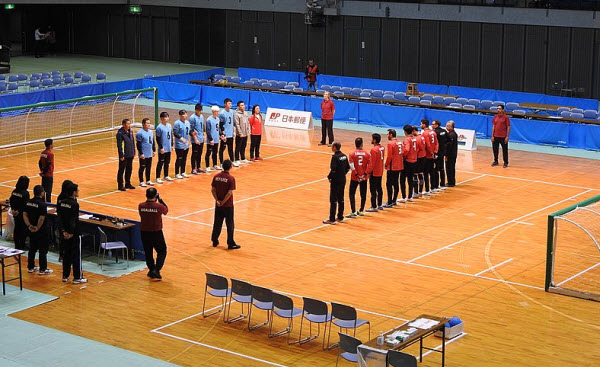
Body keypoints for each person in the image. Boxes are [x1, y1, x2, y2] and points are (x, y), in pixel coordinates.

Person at [57, 182, 86, 284]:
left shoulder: (61, 202)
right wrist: (71, 233)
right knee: (76, 255)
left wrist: (63, 231)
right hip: (73, 234)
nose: (78, 192)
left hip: (64, 233)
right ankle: (77, 277)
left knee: (66, 254)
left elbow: (59, 218)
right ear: (74, 192)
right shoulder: (74, 204)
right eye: (77, 190)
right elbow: (73, 220)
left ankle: (65, 276)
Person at [138, 188, 168, 280]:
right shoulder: (158, 206)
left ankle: (151, 270)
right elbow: (166, 210)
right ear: (156, 195)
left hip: (144, 232)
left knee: (148, 252)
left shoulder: (141, 205)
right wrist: (160, 199)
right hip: (156, 232)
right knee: (162, 251)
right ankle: (156, 270)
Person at [210, 160, 240, 249]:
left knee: (217, 223)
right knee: (229, 224)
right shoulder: (231, 178)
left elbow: (213, 190)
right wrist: (223, 202)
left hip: (218, 205)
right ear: (230, 166)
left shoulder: (216, 176)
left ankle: (214, 240)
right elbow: (229, 193)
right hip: (228, 205)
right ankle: (230, 243)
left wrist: (218, 201)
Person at [23, 185, 52, 275]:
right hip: (41, 230)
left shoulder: (28, 202)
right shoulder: (42, 204)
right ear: (42, 193)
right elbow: (41, 218)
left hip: (31, 229)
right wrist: (37, 228)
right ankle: (43, 269)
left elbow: (24, 214)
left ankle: (31, 267)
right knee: (43, 250)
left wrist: (29, 225)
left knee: (32, 249)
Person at [323, 141, 350, 224]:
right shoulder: (344, 156)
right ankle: (340, 217)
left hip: (336, 181)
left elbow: (333, 170)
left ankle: (332, 219)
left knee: (333, 199)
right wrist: (342, 174)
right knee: (341, 198)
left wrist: (329, 177)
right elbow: (348, 168)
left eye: (332, 146)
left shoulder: (335, 157)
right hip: (343, 180)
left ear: (334, 147)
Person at [346, 137, 370, 218]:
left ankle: (353, 211)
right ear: (362, 144)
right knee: (363, 194)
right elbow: (369, 165)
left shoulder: (352, 153)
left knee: (352, 193)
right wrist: (364, 174)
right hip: (364, 177)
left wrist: (356, 174)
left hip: (354, 177)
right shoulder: (367, 153)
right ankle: (361, 210)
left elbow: (351, 165)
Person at [10, 176, 30, 250]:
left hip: (15, 213)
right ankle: (22, 245)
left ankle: (17, 245)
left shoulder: (14, 191)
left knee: (17, 228)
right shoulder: (26, 193)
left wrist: (13, 210)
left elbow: (11, 200)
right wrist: (18, 211)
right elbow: (25, 205)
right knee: (23, 229)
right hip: (22, 214)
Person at [384, 129, 403, 208]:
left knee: (389, 184)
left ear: (391, 135)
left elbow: (389, 156)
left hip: (392, 166)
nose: (387, 136)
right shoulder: (399, 142)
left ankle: (389, 201)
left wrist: (386, 164)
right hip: (399, 165)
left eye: (388, 134)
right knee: (396, 183)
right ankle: (394, 200)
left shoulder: (390, 143)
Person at [56, 179, 74, 262]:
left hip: (60, 220)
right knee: (66, 240)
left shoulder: (60, 197)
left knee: (62, 239)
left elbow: (58, 210)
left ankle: (61, 255)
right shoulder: (70, 200)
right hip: (67, 222)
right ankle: (66, 256)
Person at [366, 133, 385, 212]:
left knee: (373, 189)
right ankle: (380, 204)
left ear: (374, 140)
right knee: (379, 188)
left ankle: (374, 206)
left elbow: (372, 163)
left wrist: (367, 172)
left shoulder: (374, 150)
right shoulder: (382, 148)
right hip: (380, 170)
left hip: (374, 172)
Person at [219, 98, 239, 167]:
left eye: (231, 103)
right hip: (225, 134)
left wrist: (234, 131)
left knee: (230, 148)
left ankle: (232, 161)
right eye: (229, 103)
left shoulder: (232, 112)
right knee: (222, 149)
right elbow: (221, 124)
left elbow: (233, 122)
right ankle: (221, 163)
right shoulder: (222, 113)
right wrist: (222, 134)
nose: (230, 105)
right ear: (225, 104)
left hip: (230, 134)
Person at [136, 118, 156, 187]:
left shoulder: (151, 132)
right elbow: (138, 144)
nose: (149, 124)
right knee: (142, 167)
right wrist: (141, 153)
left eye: (149, 123)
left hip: (149, 153)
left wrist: (154, 150)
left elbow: (152, 141)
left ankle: (148, 180)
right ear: (143, 124)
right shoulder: (140, 133)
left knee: (148, 167)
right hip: (143, 154)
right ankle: (141, 181)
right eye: (147, 123)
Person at [116, 118, 135, 191]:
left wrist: (133, 151)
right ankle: (120, 185)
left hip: (130, 154)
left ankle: (128, 183)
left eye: (129, 124)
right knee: (121, 170)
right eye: (127, 124)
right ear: (123, 124)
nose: (129, 125)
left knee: (129, 169)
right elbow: (120, 145)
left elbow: (132, 142)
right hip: (124, 155)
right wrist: (121, 155)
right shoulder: (120, 134)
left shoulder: (130, 131)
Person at [400, 125, 418, 203]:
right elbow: (417, 149)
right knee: (410, 179)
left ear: (405, 132)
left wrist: (403, 155)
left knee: (402, 179)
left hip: (407, 161)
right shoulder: (414, 138)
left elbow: (406, 149)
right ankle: (410, 196)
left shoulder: (406, 139)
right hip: (414, 160)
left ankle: (404, 197)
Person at [155, 111, 174, 183]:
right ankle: (158, 177)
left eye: (167, 117)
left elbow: (171, 135)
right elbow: (158, 138)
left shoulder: (169, 125)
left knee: (167, 163)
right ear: (161, 118)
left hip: (168, 147)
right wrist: (161, 147)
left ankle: (166, 175)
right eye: (165, 117)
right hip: (163, 148)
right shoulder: (159, 127)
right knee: (160, 162)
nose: (167, 118)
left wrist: (172, 145)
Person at [421, 119, 438, 195]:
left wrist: (431, 153)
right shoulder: (433, 132)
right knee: (432, 172)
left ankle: (427, 189)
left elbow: (427, 144)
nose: (421, 125)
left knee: (426, 173)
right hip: (433, 155)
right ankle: (433, 188)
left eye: (421, 124)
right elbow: (437, 143)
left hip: (428, 155)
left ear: (424, 125)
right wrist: (435, 152)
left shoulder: (425, 133)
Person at [173, 110, 191, 179]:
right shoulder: (177, 123)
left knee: (184, 159)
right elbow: (175, 133)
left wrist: (192, 134)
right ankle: (177, 173)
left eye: (186, 114)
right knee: (179, 159)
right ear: (180, 115)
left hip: (186, 144)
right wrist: (181, 138)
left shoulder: (187, 123)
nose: (185, 116)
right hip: (179, 144)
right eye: (184, 114)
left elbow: (188, 132)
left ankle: (183, 172)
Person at [189, 103, 206, 175]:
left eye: (201, 110)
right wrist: (195, 139)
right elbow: (191, 130)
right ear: (196, 110)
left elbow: (203, 126)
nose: (200, 112)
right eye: (199, 110)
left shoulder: (201, 116)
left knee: (200, 154)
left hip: (201, 138)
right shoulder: (192, 118)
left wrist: (204, 134)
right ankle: (193, 168)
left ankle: (198, 167)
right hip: (195, 139)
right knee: (194, 154)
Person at [432, 120, 447, 191]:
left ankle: (436, 184)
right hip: (442, 152)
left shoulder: (434, 132)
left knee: (435, 169)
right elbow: (448, 140)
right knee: (441, 168)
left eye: (433, 124)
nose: (432, 126)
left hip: (437, 153)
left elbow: (434, 143)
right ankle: (443, 183)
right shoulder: (444, 131)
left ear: (437, 125)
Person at [234, 101, 250, 165]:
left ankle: (243, 158)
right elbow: (237, 124)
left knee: (243, 146)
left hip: (245, 133)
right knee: (238, 146)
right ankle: (237, 159)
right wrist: (239, 132)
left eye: (243, 105)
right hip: (240, 134)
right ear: (238, 106)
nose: (243, 106)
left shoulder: (246, 113)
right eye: (242, 105)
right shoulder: (236, 114)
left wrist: (248, 130)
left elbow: (248, 122)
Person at [205, 106, 221, 172]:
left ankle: (214, 165)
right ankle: (207, 166)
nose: (217, 113)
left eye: (218, 111)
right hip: (211, 140)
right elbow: (208, 131)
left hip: (216, 139)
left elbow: (218, 129)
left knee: (215, 153)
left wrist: (221, 135)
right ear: (213, 112)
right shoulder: (209, 120)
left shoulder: (218, 119)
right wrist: (211, 139)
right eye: (216, 111)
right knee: (208, 153)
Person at [413, 126, 427, 198]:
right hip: (423, 157)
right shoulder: (422, 137)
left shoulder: (417, 139)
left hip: (418, 158)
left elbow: (417, 149)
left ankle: (415, 192)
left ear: (414, 131)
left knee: (415, 174)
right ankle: (420, 191)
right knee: (421, 174)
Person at [445, 121, 458, 187]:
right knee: (450, 168)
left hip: (451, 155)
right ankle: (451, 181)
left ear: (451, 126)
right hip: (452, 154)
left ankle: (451, 182)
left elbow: (449, 146)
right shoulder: (452, 134)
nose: (446, 127)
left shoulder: (451, 135)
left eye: (447, 126)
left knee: (449, 168)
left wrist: (446, 155)